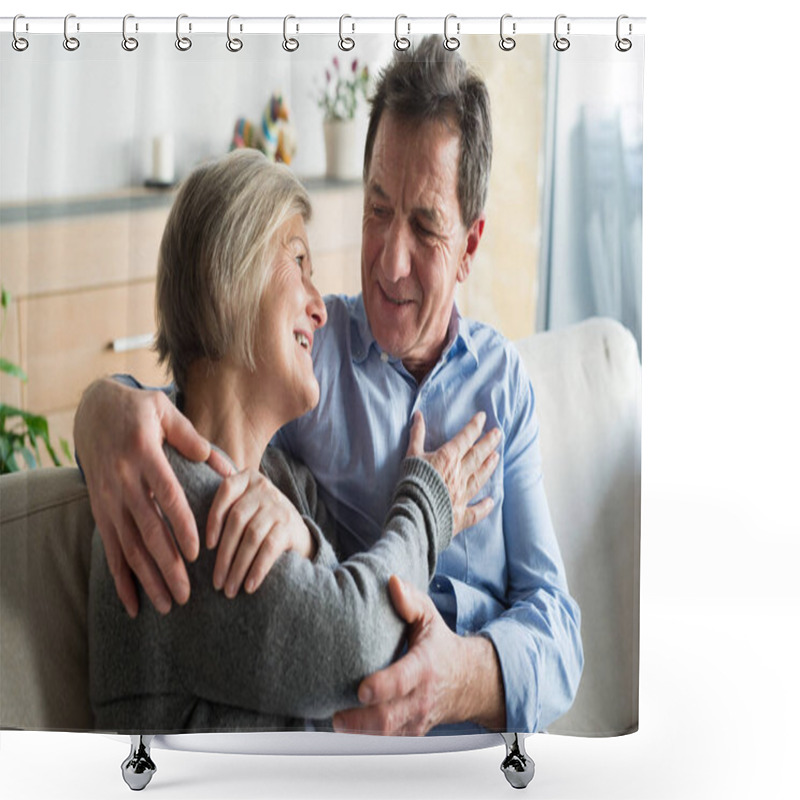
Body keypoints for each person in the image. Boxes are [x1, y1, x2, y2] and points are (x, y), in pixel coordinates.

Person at [76, 37, 583, 736]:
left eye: (426, 226)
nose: (389, 260)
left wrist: (460, 676)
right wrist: (101, 408)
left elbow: (557, 627)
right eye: (377, 210)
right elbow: (203, 386)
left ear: (470, 245)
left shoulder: (503, 389)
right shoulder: (308, 366)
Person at [88, 148, 500, 731]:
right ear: (231, 272)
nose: (320, 307)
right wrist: (428, 506)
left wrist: (307, 546)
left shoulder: (284, 483)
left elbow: (357, 602)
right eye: (299, 262)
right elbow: (363, 647)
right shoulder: (167, 500)